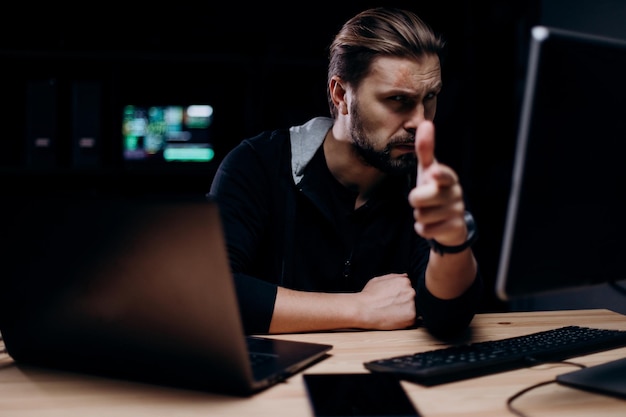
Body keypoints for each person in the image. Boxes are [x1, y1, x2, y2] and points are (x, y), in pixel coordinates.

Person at [208, 7, 482, 338]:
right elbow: (212, 293)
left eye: (430, 98)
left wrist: (453, 242)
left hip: (387, 376)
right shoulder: (257, 164)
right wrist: (360, 308)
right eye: (397, 100)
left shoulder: (425, 181)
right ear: (341, 95)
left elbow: (448, 319)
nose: (421, 121)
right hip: (276, 384)